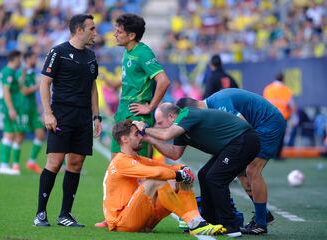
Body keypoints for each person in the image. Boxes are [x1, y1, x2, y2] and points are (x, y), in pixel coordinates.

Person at [133, 103, 261, 237]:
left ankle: (230, 225)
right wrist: (150, 140)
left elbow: (166, 135)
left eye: (159, 122)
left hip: (244, 139)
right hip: (233, 144)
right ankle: (209, 220)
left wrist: (146, 128)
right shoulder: (180, 128)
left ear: (171, 116)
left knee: (214, 178)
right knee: (204, 175)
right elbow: (174, 153)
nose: (158, 126)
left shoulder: (187, 114)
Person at [176, 88, 286, 234]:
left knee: (252, 170)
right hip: (257, 125)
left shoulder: (220, 103)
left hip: (268, 122)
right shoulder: (211, 107)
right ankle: (263, 214)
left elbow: (241, 126)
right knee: (240, 170)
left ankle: (261, 222)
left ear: (191, 111)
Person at [33, 14, 102, 227]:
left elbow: (92, 88)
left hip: (83, 118)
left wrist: (96, 116)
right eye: (92, 29)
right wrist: (48, 113)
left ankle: (65, 215)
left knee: (76, 163)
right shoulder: (58, 52)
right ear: (79, 30)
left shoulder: (91, 56)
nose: (95, 33)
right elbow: (45, 84)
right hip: (61, 114)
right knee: (54, 162)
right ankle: (40, 214)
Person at [103, 120, 224, 236]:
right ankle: (192, 222)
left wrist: (182, 168)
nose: (141, 137)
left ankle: (197, 221)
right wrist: (179, 174)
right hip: (122, 223)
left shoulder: (137, 159)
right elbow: (157, 172)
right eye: (136, 134)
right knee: (155, 180)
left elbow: (167, 167)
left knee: (178, 180)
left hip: (138, 218)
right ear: (124, 139)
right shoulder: (121, 161)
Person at [111, 13, 170, 158]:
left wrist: (150, 107)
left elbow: (163, 81)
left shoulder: (143, 53)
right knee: (116, 164)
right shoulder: (127, 51)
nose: (114, 35)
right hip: (123, 111)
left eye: (119, 32)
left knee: (139, 167)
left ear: (131, 36)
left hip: (137, 115)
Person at [17, 51, 44, 174]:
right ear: (28, 59)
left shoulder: (33, 73)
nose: (36, 60)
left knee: (40, 134)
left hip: (33, 109)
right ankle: (15, 164)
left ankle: (31, 162)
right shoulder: (20, 73)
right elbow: (23, 91)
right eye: (34, 58)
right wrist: (39, 85)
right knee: (20, 136)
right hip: (23, 109)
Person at [0, 50, 23, 175]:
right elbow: (6, 91)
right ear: (14, 58)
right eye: (19, 58)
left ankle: (5, 164)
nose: (21, 61)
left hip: (9, 107)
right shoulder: (7, 72)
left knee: (11, 134)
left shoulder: (11, 72)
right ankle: (3, 165)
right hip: (7, 107)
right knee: (8, 135)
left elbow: (18, 89)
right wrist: (11, 108)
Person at [263, 72, 295, 158]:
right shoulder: (287, 90)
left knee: (270, 135)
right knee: (280, 136)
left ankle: (268, 154)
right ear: (283, 79)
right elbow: (291, 105)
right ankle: (278, 155)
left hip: (270, 116)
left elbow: (264, 103)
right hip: (283, 116)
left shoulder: (268, 88)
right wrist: (291, 114)